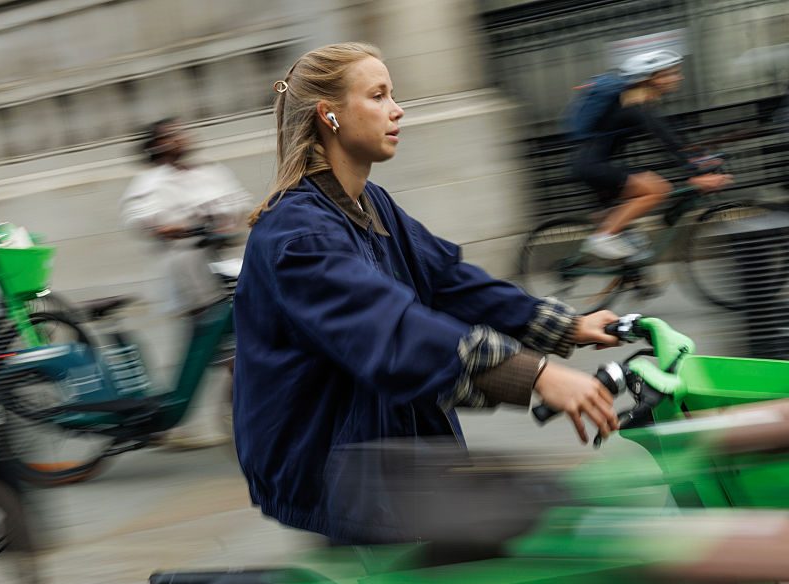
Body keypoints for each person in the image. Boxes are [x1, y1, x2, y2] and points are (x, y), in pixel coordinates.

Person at [233, 42, 621, 544]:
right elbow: (390, 329)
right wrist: (537, 376)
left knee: (544, 517)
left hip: (385, 449)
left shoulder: (370, 203)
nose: (397, 110)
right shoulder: (299, 234)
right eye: (378, 96)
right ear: (329, 115)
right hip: (335, 467)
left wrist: (567, 325)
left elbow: (450, 282)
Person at [120, 118, 252, 448]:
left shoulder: (210, 171)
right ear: (157, 145)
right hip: (188, 267)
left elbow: (239, 204)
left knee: (233, 339)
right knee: (212, 339)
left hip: (224, 263)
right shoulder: (151, 181)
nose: (181, 138)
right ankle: (211, 420)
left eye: (181, 132)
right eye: (171, 135)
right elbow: (146, 220)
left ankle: (240, 414)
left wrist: (228, 223)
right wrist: (186, 228)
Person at [571, 49, 731, 260]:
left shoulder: (639, 103)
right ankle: (602, 238)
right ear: (651, 78)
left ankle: (628, 269)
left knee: (632, 232)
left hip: (596, 166)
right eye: (671, 73)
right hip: (592, 167)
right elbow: (664, 139)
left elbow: (673, 135)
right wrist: (696, 171)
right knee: (657, 190)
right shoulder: (633, 106)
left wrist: (702, 158)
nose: (679, 77)